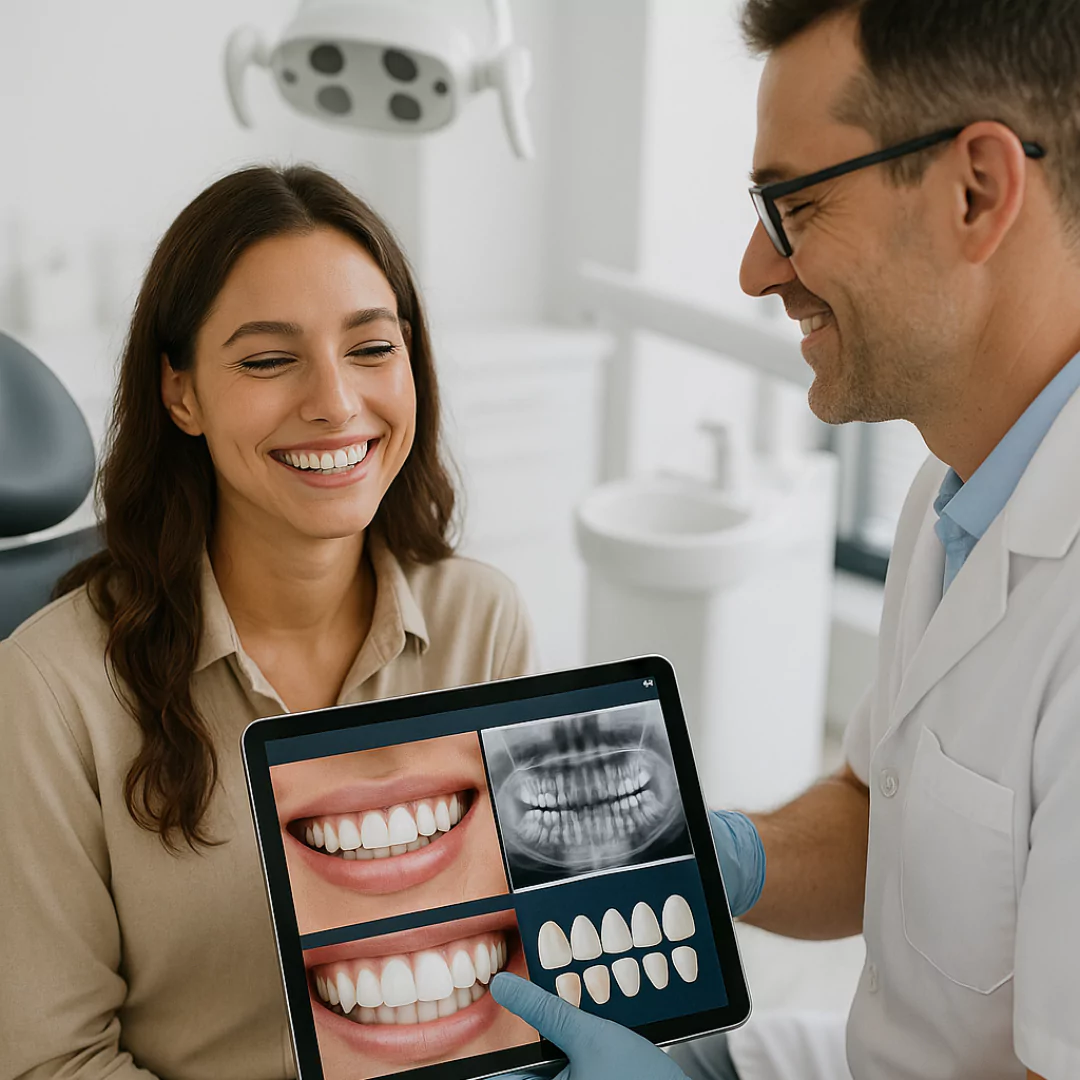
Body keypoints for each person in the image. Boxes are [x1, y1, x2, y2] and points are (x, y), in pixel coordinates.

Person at [493, 1, 1080, 1078]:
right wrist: (716, 857)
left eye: (796, 206)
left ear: (976, 191)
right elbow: (884, 818)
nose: (756, 271)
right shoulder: (958, 492)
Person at [0, 164, 535, 1080]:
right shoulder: (50, 690)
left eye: (372, 348)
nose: (335, 402)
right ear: (182, 394)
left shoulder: (480, 620)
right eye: (267, 360)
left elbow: (519, 976)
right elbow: (55, 1064)